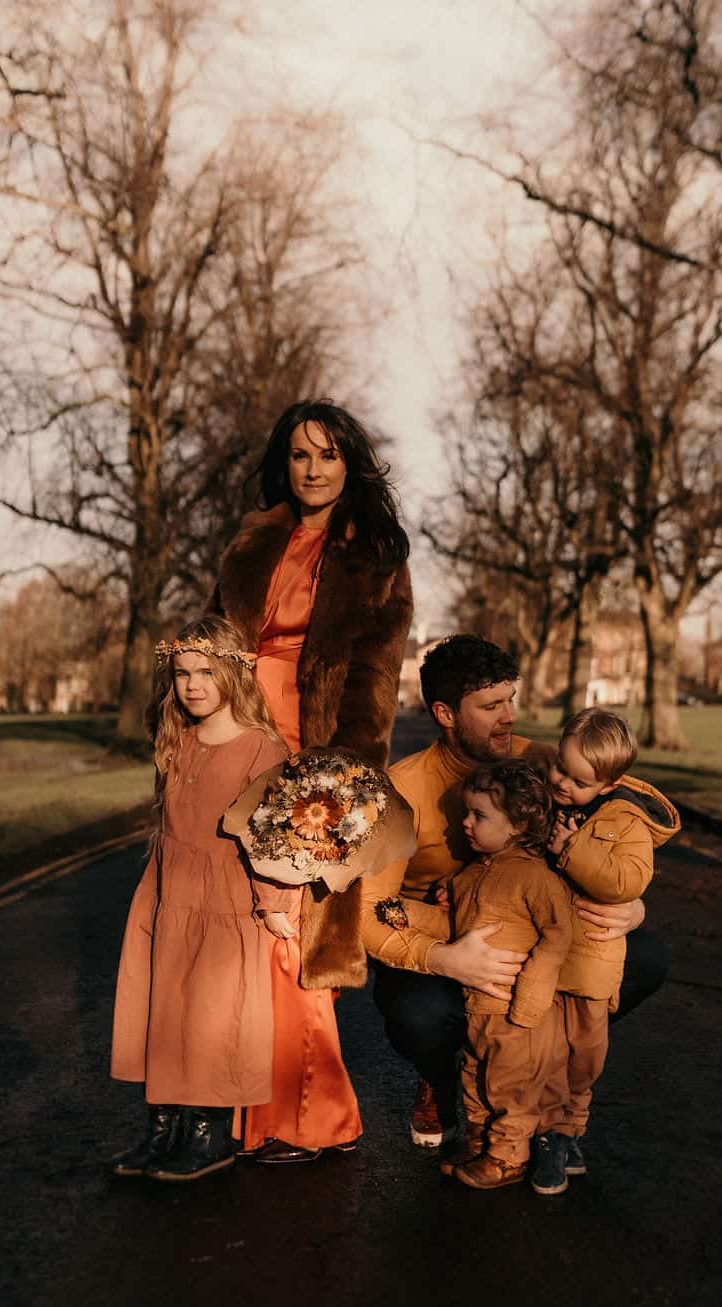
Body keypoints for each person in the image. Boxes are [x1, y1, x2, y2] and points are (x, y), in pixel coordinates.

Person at [359, 635, 666, 1147]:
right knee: (418, 1015)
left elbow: (620, 841)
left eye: (511, 700)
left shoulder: (548, 768)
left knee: (648, 958)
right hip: (448, 940)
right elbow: (368, 912)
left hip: (532, 937)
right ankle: (439, 1079)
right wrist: (443, 958)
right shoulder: (401, 790)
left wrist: (632, 906)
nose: (509, 717)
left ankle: (546, 1075)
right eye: (491, 705)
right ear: (445, 712)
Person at [207, 399, 413, 1162]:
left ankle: (309, 1114)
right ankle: (240, 1110)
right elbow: (212, 646)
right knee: (236, 935)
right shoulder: (254, 541)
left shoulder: (375, 554)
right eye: (299, 454)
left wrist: (342, 782)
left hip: (312, 758)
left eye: (327, 454)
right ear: (283, 463)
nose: (313, 468)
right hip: (234, 745)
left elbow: (375, 681)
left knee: (291, 936)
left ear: (349, 462)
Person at [108, 615, 299, 1182]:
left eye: (206, 673)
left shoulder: (261, 748)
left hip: (226, 898)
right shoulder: (177, 740)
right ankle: (162, 1125)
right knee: (162, 1007)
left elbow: (268, 837)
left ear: (234, 675)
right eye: (182, 673)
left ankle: (207, 1131)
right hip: (169, 889)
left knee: (213, 1014)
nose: (192, 685)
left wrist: (274, 905)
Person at [528, 707, 680, 1194]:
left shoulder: (626, 822)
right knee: (544, 1047)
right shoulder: (542, 801)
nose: (562, 783)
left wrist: (571, 850)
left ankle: (571, 1129)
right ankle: (547, 1135)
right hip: (546, 957)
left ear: (610, 785)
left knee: (584, 1053)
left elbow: (627, 881)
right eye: (559, 767)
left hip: (593, 962)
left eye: (579, 780)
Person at [404, 760, 575, 1190]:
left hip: (516, 1010)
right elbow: (455, 927)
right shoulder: (471, 873)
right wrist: (414, 911)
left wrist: (532, 995)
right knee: (476, 1075)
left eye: (479, 815)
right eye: (466, 812)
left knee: (509, 1087)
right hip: (477, 1006)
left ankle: (508, 1155)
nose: (465, 823)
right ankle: (480, 1141)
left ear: (518, 824)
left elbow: (558, 936)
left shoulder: (534, 878)